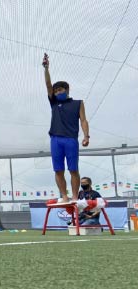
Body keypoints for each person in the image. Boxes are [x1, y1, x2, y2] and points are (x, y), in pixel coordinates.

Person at [43, 53, 90, 203]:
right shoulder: (54, 103)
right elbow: (48, 85)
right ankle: (64, 196)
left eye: (61, 90)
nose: (58, 92)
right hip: (56, 139)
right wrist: (46, 68)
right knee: (58, 170)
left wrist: (86, 136)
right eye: (56, 91)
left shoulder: (78, 103)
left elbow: (83, 120)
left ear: (67, 90)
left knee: (73, 169)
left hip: (71, 139)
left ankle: (75, 197)